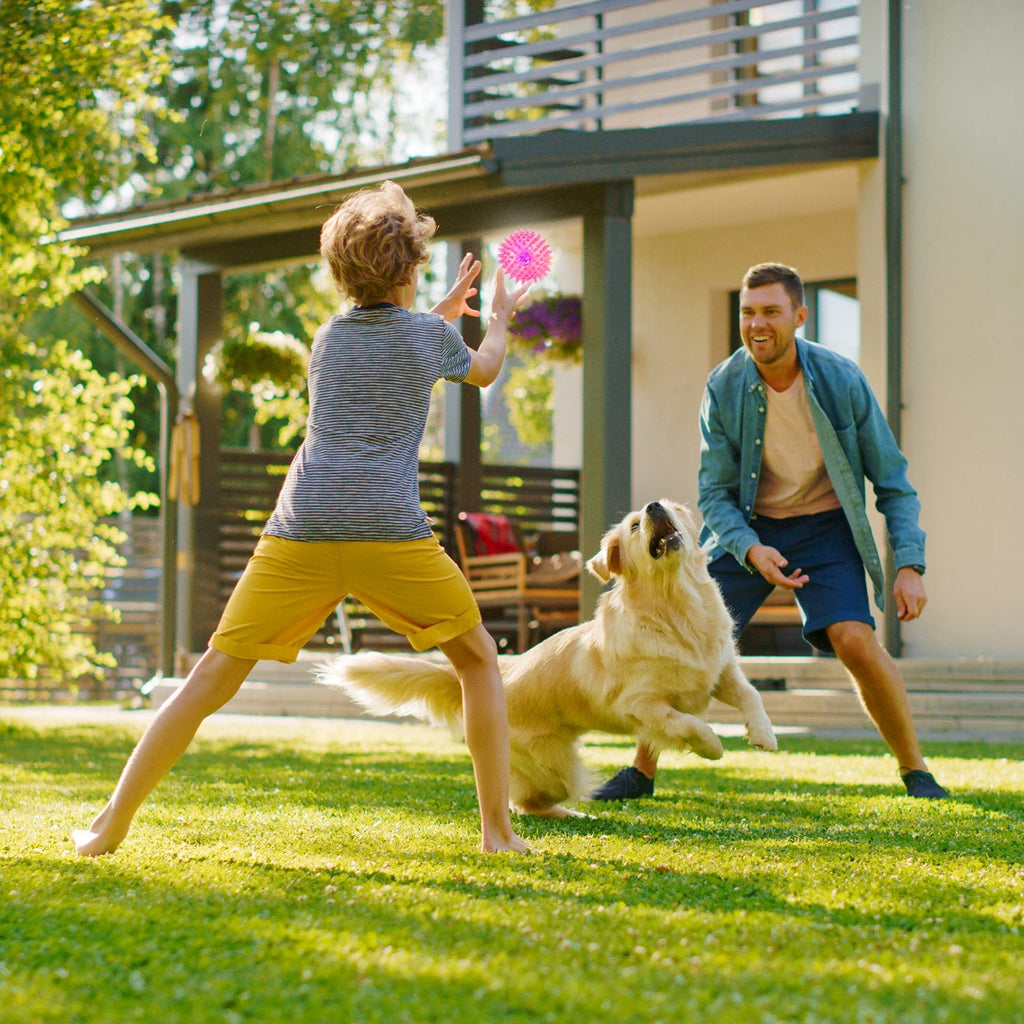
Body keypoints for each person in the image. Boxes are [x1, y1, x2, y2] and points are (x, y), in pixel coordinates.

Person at [74, 180, 534, 857]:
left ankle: (109, 824)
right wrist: (495, 315)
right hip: (389, 535)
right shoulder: (427, 339)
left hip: (302, 532)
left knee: (212, 675)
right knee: (477, 660)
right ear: (409, 268)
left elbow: (394, 345)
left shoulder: (327, 339)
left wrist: (437, 310)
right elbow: (483, 368)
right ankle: (497, 832)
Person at [592, 261, 950, 802]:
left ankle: (916, 771)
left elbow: (893, 481)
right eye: (748, 312)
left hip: (826, 527)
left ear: (800, 316)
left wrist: (910, 564)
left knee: (855, 641)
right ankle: (641, 772)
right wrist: (751, 548)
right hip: (749, 529)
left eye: (771, 312)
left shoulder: (840, 379)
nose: (758, 324)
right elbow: (713, 493)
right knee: (684, 634)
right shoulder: (725, 385)